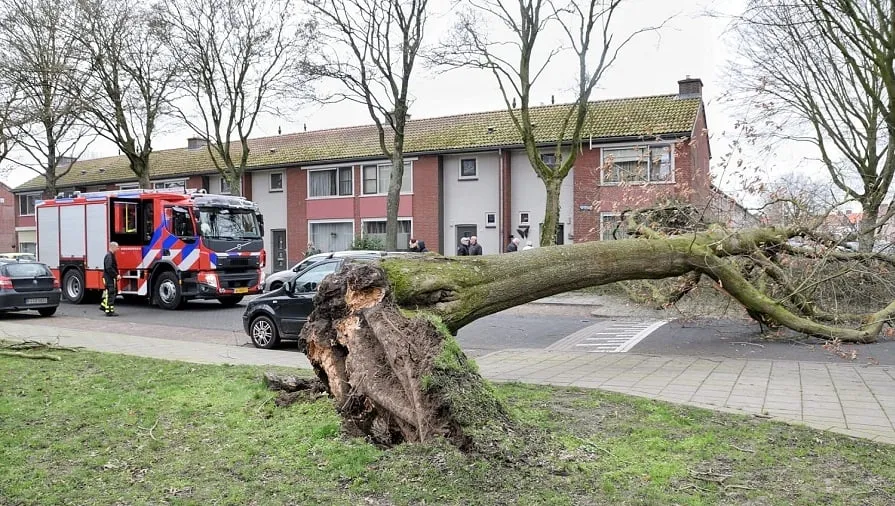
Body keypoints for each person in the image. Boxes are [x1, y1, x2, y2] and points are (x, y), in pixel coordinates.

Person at [100, 241, 121, 317]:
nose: (118, 249)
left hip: (109, 278)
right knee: (111, 293)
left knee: (111, 293)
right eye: (117, 247)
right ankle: (109, 311)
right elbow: (109, 268)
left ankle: (103, 306)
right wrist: (116, 275)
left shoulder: (110, 255)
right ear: (113, 247)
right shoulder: (109, 256)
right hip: (108, 278)